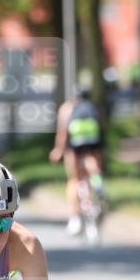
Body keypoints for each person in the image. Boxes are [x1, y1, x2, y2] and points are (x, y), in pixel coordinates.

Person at [50, 87, 106, 235]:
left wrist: (58, 150)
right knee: (92, 163)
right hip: (93, 143)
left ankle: (75, 218)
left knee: (74, 179)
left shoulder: (67, 108)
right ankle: (97, 181)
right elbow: (101, 129)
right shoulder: (94, 108)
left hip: (74, 146)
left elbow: (63, 132)